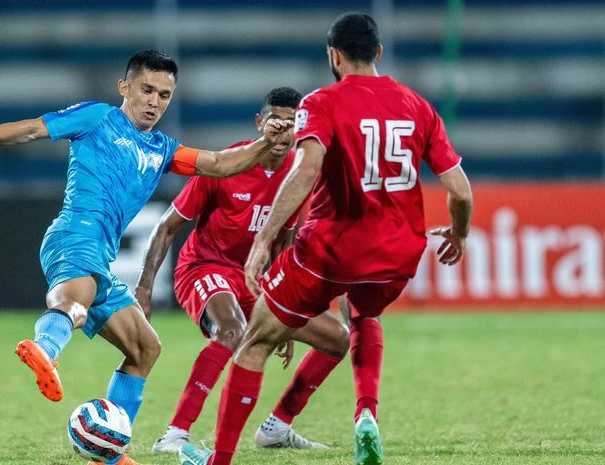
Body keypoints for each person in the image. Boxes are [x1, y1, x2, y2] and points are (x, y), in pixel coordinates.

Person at [0, 49, 292, 465]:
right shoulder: (98, 118)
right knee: (74, 299)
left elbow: (219, 163)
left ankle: (109, 452)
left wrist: (268, 141)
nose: (155, 102)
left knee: (145, 349)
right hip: (74, 234)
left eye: (165, 95)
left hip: (101, 255)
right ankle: (46, 347)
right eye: (147, 90)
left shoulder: (164, 149)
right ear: (125, 87)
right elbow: (31, 130)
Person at [179, 13, 473, 465]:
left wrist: (265, 239)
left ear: (333, 55)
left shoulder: (323, 102)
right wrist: (459, 232)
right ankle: (364, 415)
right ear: (377, 52)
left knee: (257, 339)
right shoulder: (418, 106)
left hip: (331, 248)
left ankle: (219, 459)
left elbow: (306, 170)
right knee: (363, 319)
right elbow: (460, 191)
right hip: (398, 254)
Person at [136, 87, 349, 454]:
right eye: (275, 123)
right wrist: (143, 290)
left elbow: (283, 243)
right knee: (231, 329)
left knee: (338, 338)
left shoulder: (299, 175)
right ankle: (174, 434)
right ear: (259, 123)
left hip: (252, 280)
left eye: (291, 125)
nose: (282, 134)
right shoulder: (227, 164)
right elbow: (166, 227)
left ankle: (278, 426)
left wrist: (285, 304)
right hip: (203, 268)